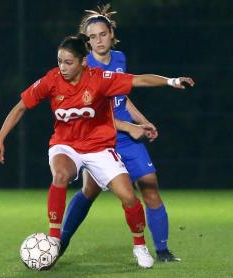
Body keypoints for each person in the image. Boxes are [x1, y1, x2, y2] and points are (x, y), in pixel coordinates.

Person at [0, 34, 194, 269]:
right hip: (65, 145)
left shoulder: (100, 79)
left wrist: (171, 81)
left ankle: (139, 245)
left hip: (99, 147)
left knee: (129, 197)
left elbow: (139, 80)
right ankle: (54, 240)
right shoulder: (51, 79)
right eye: (59, 61)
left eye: (68, 62)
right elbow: (20, 107)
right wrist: (0, 138)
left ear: (83, 62)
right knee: (60, 175)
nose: (62, 67)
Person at [60, 4, 182, 262]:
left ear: (111, 33)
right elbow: (93, 113)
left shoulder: (119, 59)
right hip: (98, 139)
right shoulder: (83, 69)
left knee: (150, 186)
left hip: (127, 140)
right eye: (92, 37)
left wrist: (143, 122)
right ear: (87, 41)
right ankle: (60, 242)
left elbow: (121, 98)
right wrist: (131, 127)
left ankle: (162, 250)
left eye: (102, 34)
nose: (98, 41)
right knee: (89, 192)